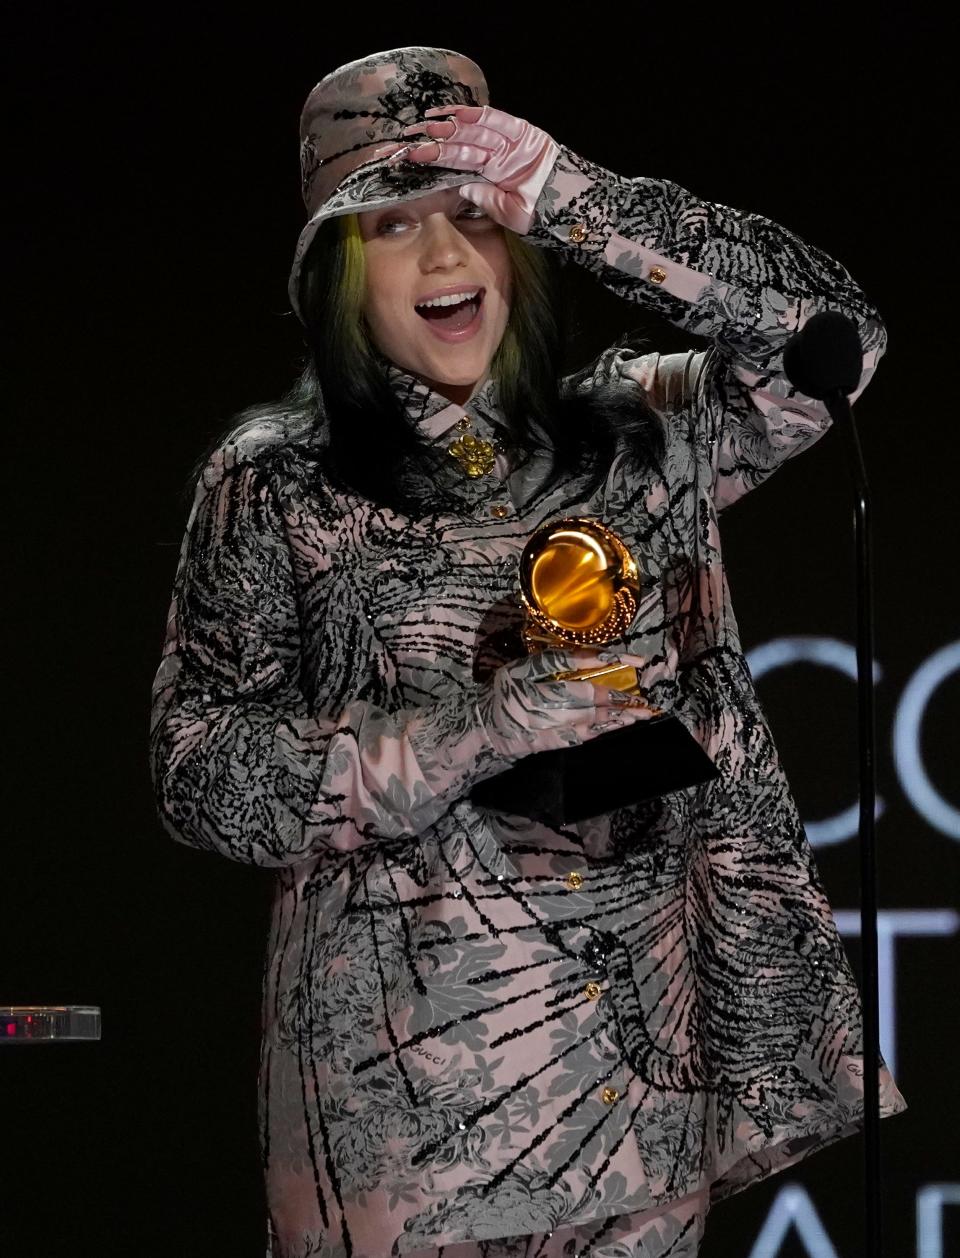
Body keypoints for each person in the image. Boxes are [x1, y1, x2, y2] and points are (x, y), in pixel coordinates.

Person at [150, 46, 906, 1258]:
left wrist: (575, 193)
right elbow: (202, 771)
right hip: (401, 1118)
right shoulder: (278, 482)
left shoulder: (635, 432)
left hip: (637, 1100)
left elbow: (836, 344)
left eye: (471, 216)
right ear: (334, 276)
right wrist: (477, 729)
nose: (446, 259)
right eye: (394, 225)